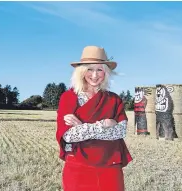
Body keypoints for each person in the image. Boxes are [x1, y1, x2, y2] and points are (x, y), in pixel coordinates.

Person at [56, 45, 133, 191]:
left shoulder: (114, 99)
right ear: (81, 71)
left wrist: (81, 126)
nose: (95, 75)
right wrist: (103, 124)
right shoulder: (69, 97)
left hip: (110, 166)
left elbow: (120, 132)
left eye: (100, 69)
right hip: (78, 167)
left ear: (106, 73)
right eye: (89, 69)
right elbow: (69, 135)